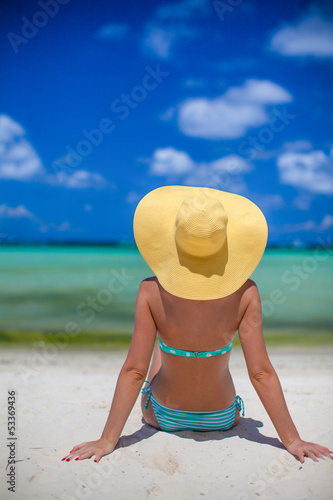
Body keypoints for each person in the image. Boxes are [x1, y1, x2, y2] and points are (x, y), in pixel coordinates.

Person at [62, 186, 333, 464]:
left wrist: (107, 440)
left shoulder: (149, 291)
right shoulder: (247, 292)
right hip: (224, 415)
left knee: (161, 345)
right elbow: (261, 373)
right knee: (182, 348)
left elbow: (134, 371)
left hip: (163, 413)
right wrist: (292, 440)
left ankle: (169, 340)